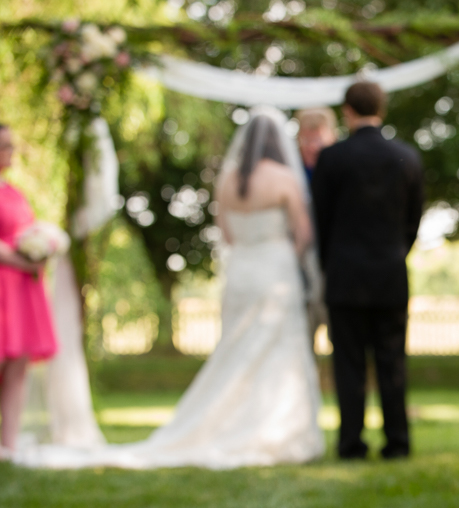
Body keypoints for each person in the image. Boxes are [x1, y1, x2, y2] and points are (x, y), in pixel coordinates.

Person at [16, 109, 324, 469]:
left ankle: (232, 424)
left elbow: (226, 234)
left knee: (237, 350)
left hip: (242, 272)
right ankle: (275, 428)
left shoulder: (228, 180)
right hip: (275, 272)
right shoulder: (285, 179)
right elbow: (303, 235)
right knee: (276, 350)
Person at [311, 82, 423, 460]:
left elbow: (320, 221)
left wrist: (333, 263)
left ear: (347, 111)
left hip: (344, 275)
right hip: (391, 274)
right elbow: (413, 222)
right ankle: (398, 442)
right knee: (392, 361)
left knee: (349, 364)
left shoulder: (331, 159)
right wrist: (393, 254)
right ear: (382, 108)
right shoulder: (406, 156)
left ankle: (351, 444)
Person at [0, 123, 57, 457]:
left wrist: (41, 250)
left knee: (18, 366)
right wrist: (22, 261)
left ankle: (8, 447)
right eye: (3, 144)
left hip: (23, 290)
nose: (9, 150)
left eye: (10, 144)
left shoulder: (14, 192)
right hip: (4, 284)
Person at [295, 107, 338, 183]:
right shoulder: (293, 170)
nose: (312, 147)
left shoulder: (341, 170)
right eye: (306, 140)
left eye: (319, 141)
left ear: (333, 138)